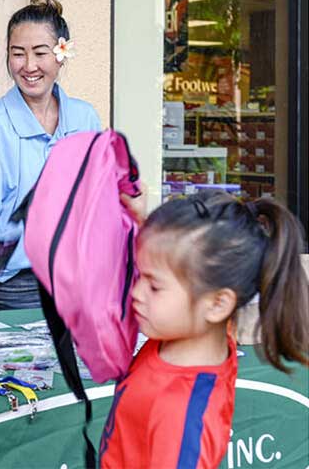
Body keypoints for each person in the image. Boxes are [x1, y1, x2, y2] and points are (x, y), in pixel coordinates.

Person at [99, 189, 309, 468]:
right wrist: (136, 221)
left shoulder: (180, 416)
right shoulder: (200, 334)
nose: (136, 292)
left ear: (218, 304)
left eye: (153, 285)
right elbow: (174, 264)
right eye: (140, 275)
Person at [0, 0, 101, 310]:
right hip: (17, 286)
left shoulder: (85, 118)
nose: (29, 66)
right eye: (18, 54)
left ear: (61, 53)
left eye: (40, 53)